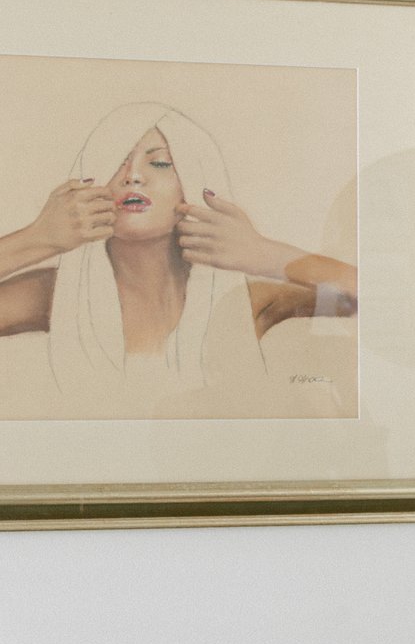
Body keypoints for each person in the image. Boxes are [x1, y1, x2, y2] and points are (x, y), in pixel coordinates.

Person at [0, 103, 357, 415]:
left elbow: (379, 305)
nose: (134, 176)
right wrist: (36, 239)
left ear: (195, 184)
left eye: (159, 163)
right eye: (116, 163)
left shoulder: (246, 304)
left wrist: (264, 254)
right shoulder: (57, 296)